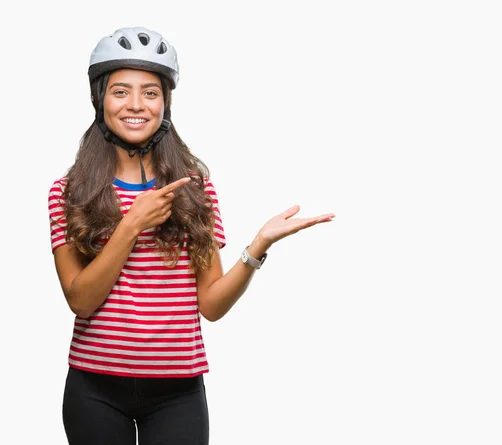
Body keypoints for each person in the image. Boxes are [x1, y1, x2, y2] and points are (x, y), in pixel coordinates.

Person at [47, 26, 335, 445]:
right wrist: (132, 225)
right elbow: (81, 300)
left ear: (165, 103)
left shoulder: (195, 187)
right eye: (120, 91)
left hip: (177, 391)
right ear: (100, 99)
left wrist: (257, 247)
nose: (136, 105)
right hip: (94, 388)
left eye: (150, 93)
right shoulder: (68, 191)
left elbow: (211, 306)